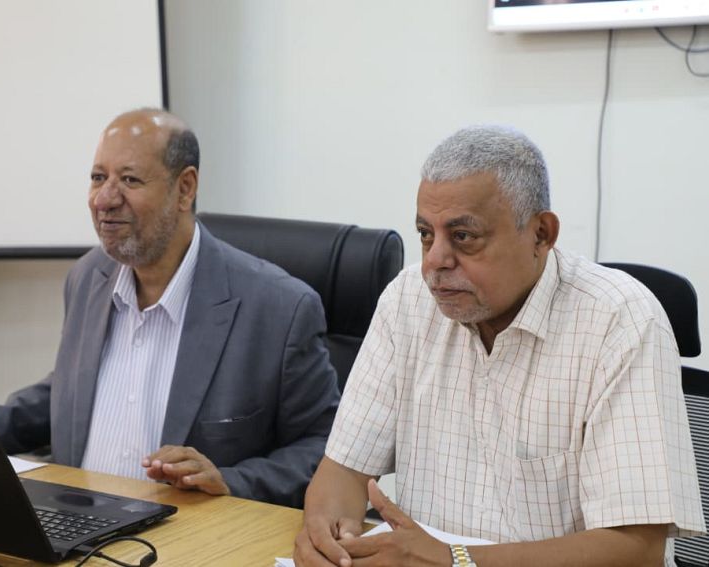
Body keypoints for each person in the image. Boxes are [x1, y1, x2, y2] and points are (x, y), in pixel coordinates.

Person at [295, 125, 704, 566]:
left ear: (541, 234)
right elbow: (344, 470)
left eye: (463, 236)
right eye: (426, 234)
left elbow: (636, 551)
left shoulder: (620, 320)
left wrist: (455, 560)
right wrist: (329, 538)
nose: (434, 261)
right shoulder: (406, 301)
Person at [0, 108, 339, 508]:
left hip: (191, 534)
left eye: (129, 180)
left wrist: (231, 481)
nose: (104, 199)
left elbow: (328, 447)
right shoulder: (87, 278)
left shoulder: (279, 308)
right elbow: (70, 389)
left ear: (185, 189)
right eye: (98, 177)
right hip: (77, 524)